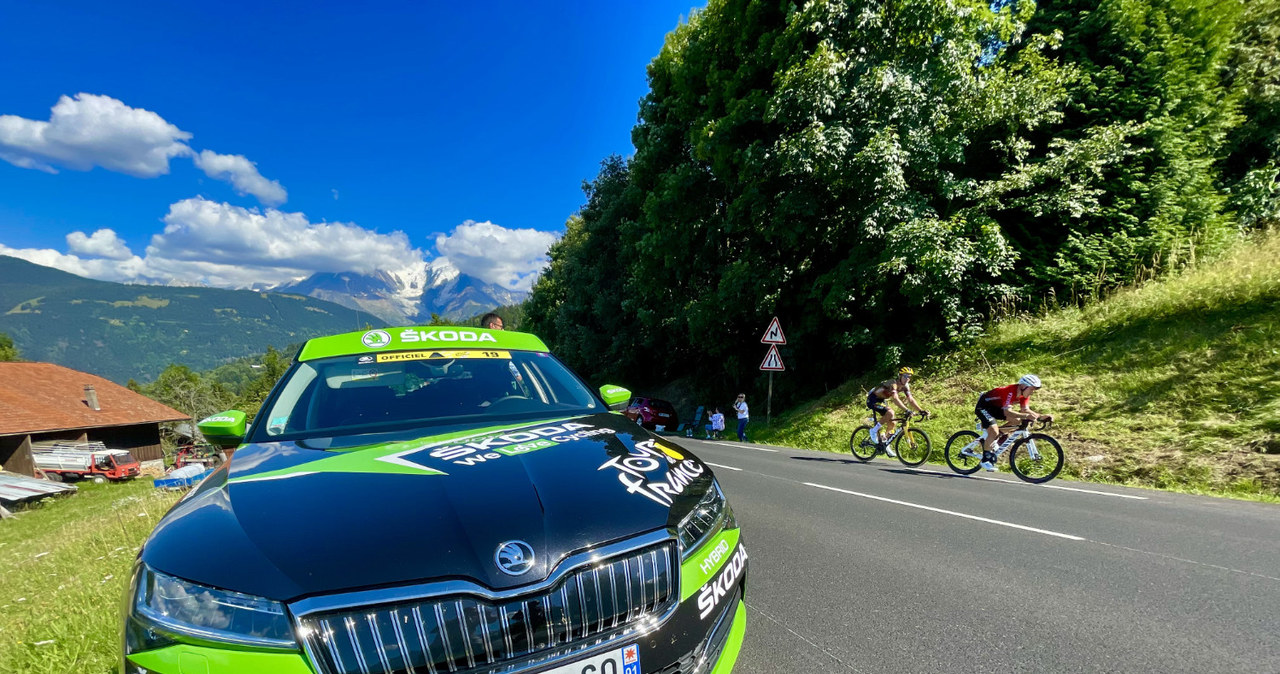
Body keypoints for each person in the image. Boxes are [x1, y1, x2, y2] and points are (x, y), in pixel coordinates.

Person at [971, 374, 1054, 471]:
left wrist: (1040, 417)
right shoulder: (1010, 391)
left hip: (997, 408)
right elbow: (1008, 412)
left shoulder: (1024, 395)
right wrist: (1027, 416)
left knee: (1017, 421)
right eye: (1031, 389)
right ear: (1023, 386)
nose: (1032, 392)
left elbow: (1025, 410)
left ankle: (997, 436)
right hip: (984, 407)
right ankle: (985, 460)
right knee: (994, 431)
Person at [865, 367, 930, 457]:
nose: (907, 378)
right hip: (873, 400)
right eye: (905, 376)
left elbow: (910, 400)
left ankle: (885, 443)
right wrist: (906, 410)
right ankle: (873, 431)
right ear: (900, 376)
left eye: (909, 377)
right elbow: (895, 399)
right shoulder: (893, 384)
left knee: (893, 423)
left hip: (882, 400)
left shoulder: (905, 386)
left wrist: (921, 410)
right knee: (891, 412)